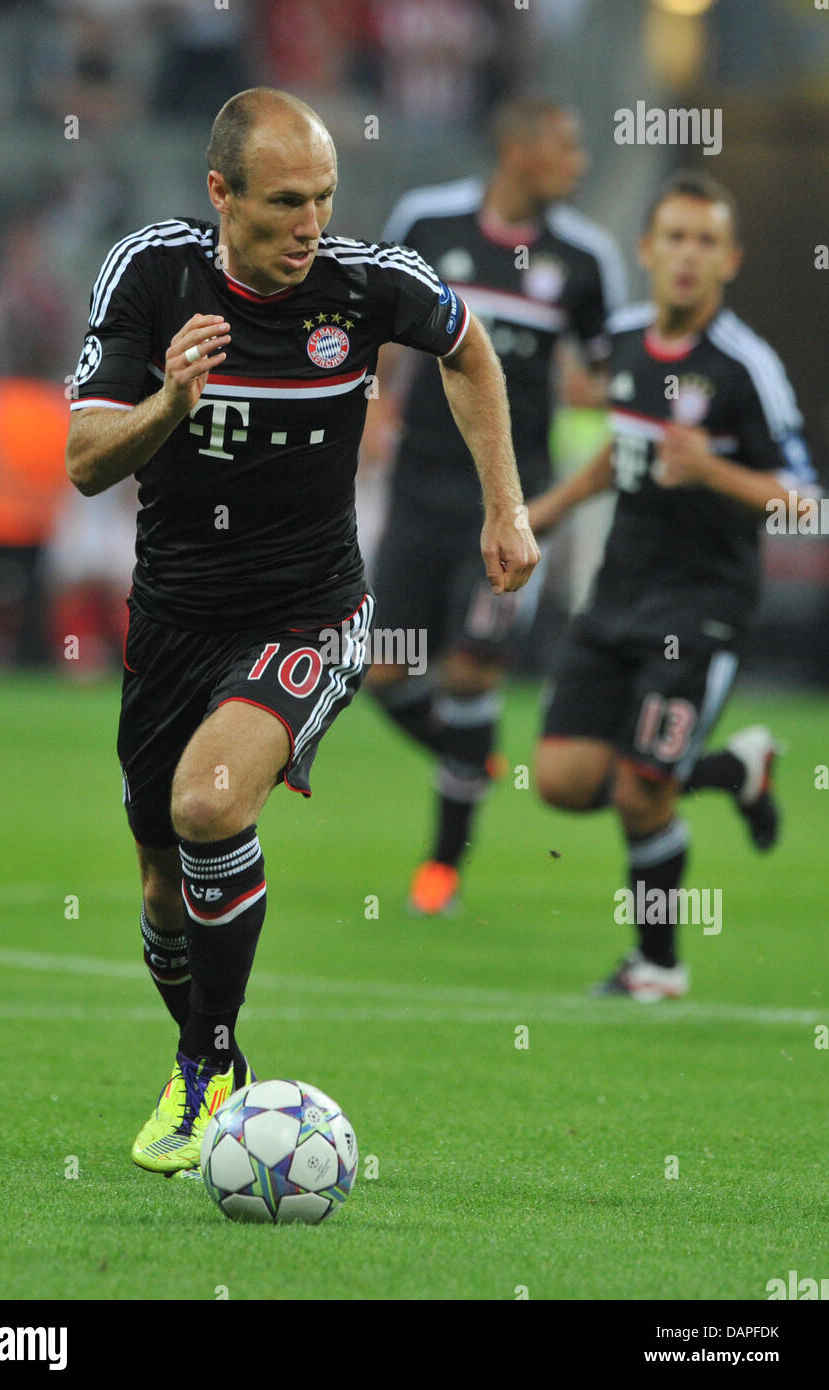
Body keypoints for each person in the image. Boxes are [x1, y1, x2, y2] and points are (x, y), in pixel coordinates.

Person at [65, 88, 539, 1175]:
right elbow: (87, 461)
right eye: (284, 202)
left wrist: (502, 505)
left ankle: (210, 1066)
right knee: (159, 875)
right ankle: (203, 1055)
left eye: (322, 197)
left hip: (312, 609)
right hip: (176, 617)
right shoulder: (149, 275)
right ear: (220, 194)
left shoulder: (368, 285)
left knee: (208, 803)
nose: (309, 224)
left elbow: (470, 351)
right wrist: (168, 404)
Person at [528, 171, 816, 1001]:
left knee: (640, 788)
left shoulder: (744, 368)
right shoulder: (621, 341)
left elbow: (807, 507)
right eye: (674, 238)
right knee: (560, 779)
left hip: (701, 608)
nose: (687, 256)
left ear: (728, 260)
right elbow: (615, 455)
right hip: (617, 594)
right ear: (647, 250)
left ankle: (656, 965)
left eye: (705, 242)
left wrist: (714, 471)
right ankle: (735, 771)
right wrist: (535, 515)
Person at [365, 98, 626, 916]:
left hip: (513, 496)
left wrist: (583, 389)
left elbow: (608, 369)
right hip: (418, 488)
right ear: (516, 150)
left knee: (473, 670)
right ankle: (467, 758)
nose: (577, 165)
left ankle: (441, 867)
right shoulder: (427, 219)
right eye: (565, 148)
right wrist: (371, 402)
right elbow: (369, 319)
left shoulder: (585, 258)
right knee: (382, 672)